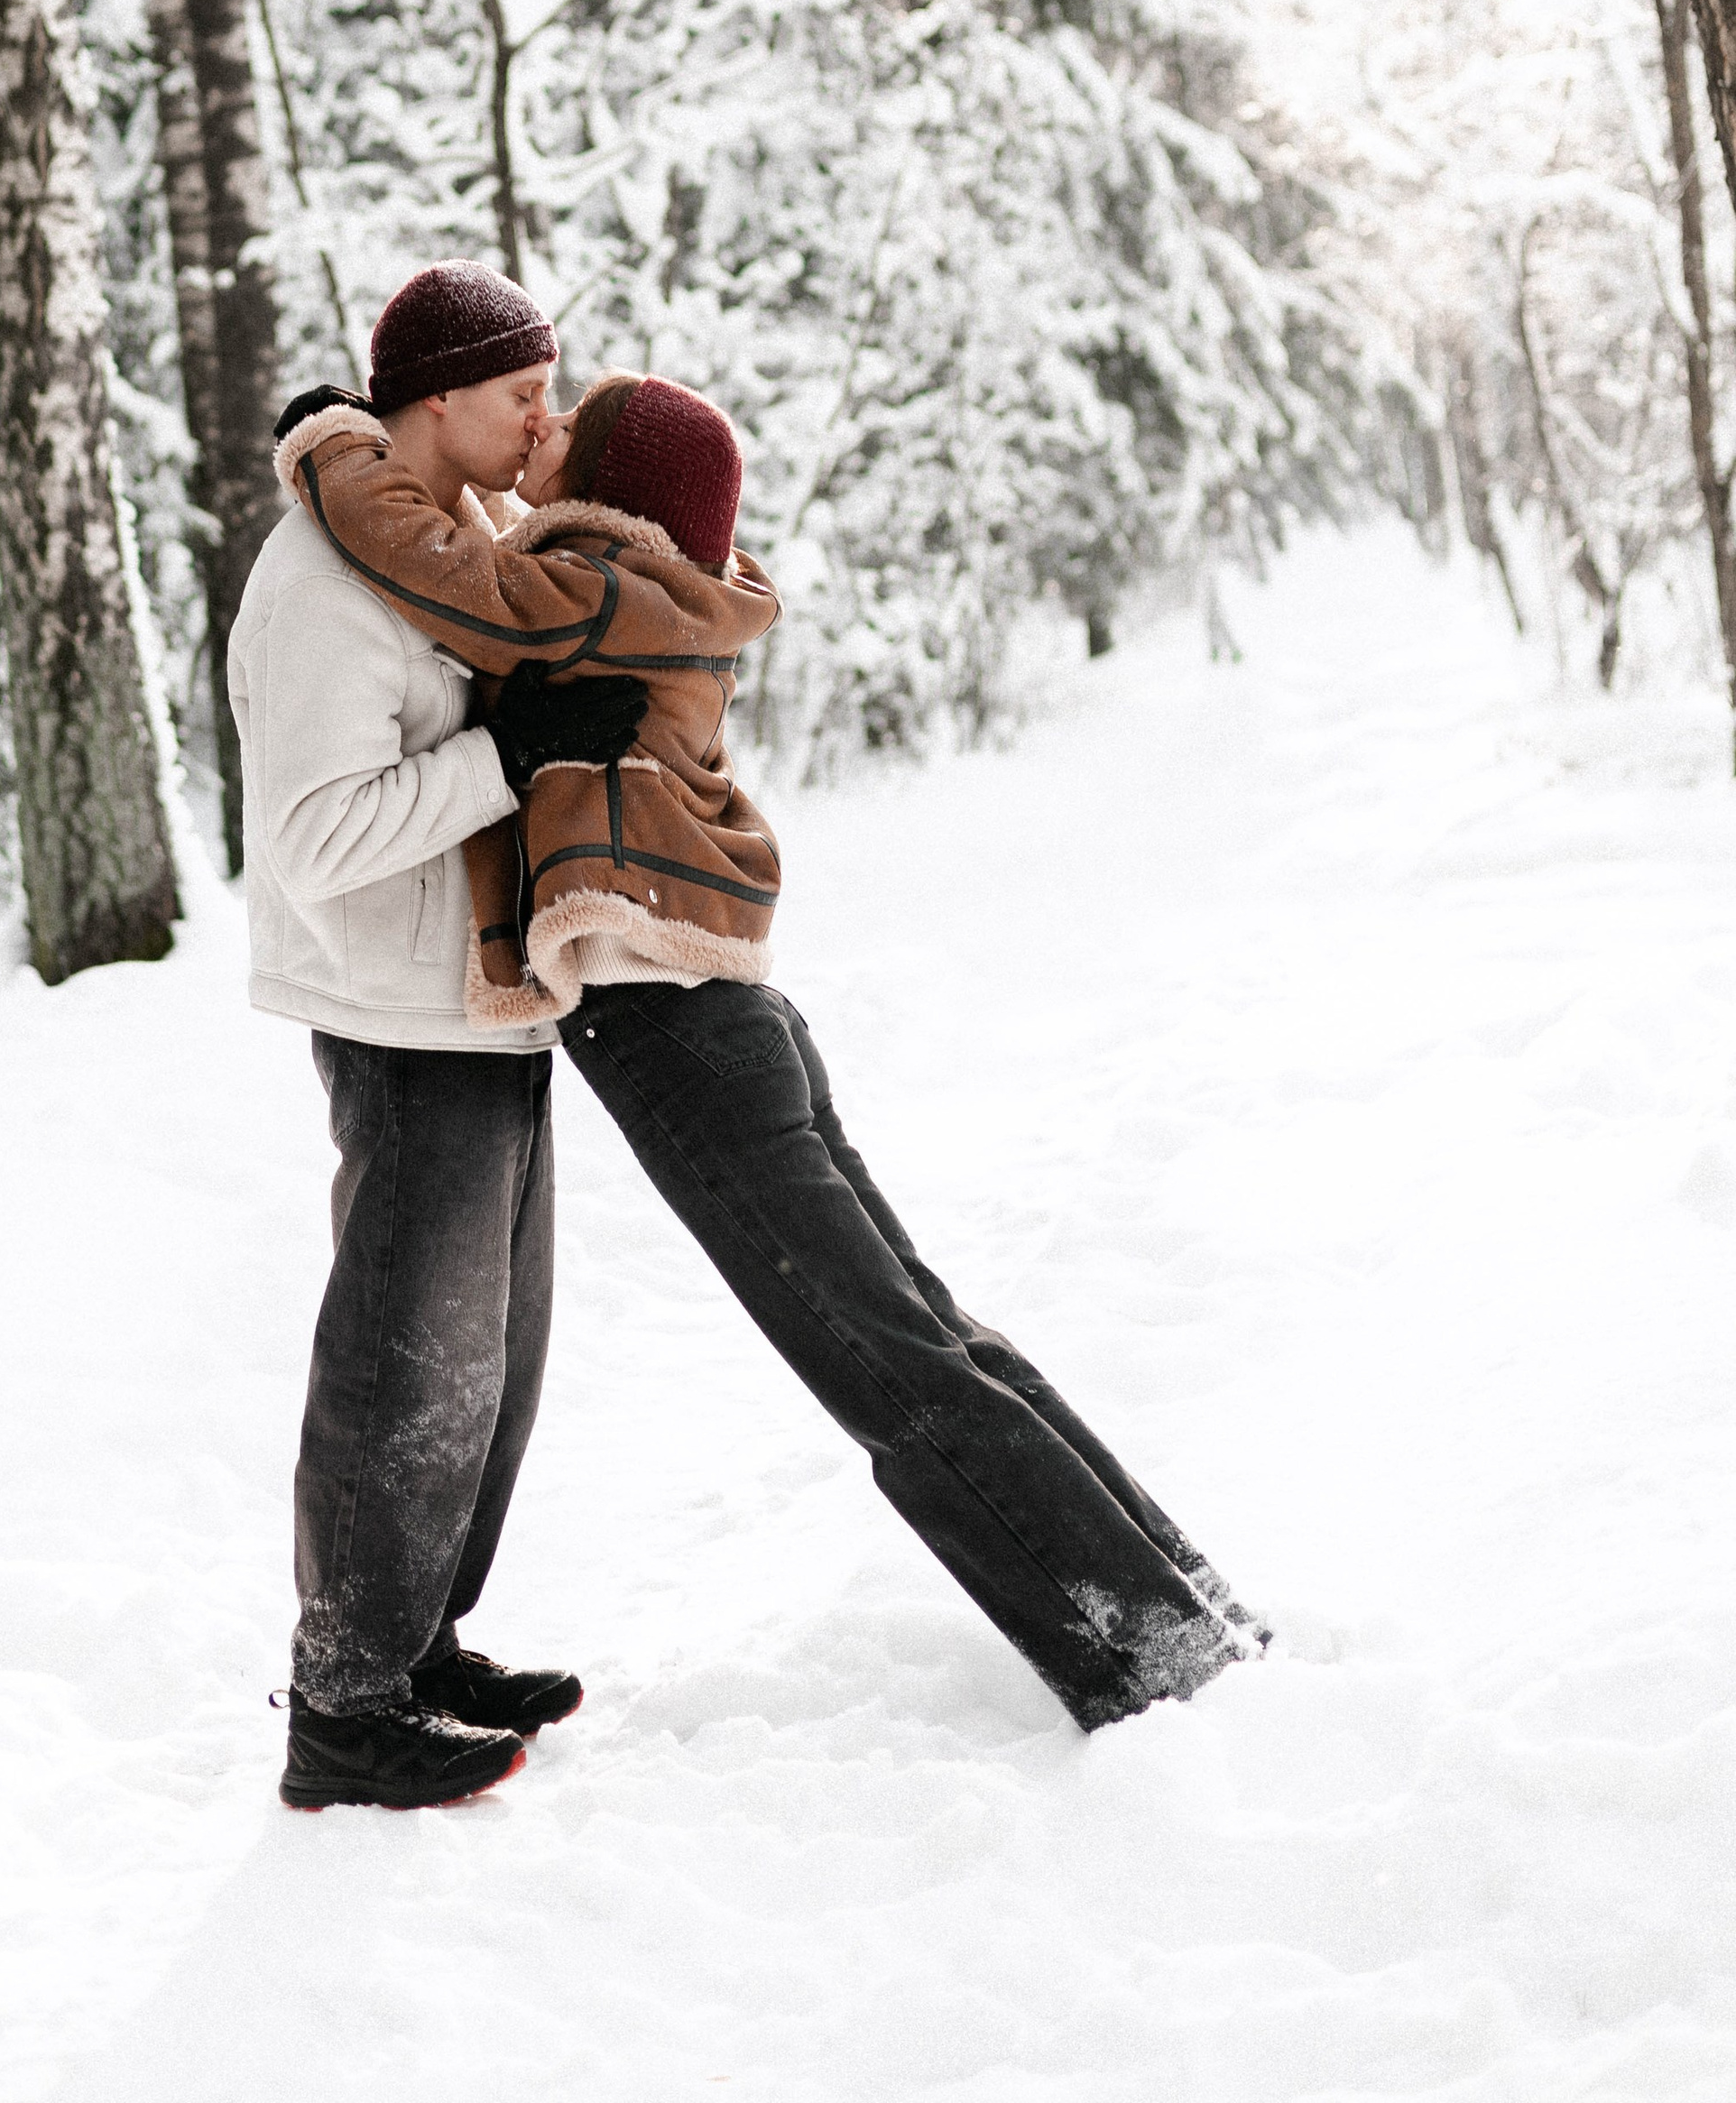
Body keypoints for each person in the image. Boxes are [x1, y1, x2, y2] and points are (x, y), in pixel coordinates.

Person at [268, 365, 1263, 1734]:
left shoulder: (589, 591)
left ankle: (1149, 1654)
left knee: (892, 1372)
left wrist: (333, 447)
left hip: (681, 1038)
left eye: (567, 425)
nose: (538, 432)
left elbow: (437, 570)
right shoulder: (651, 592)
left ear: (614, 502)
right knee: (929, 1338)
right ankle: (1181, 1603)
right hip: (728, 1020)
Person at [226, 263, 648, 1812]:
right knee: (404, 1362)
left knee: (495, 1361)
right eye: (522, 388)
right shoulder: (327, 584)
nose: (546, 410)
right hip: (397, 1020)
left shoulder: (448, 545)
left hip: (486, 1008)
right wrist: (507, 754)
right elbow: (319, 837)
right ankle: (343, 1705)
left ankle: (418, 1644)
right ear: (436, 399)